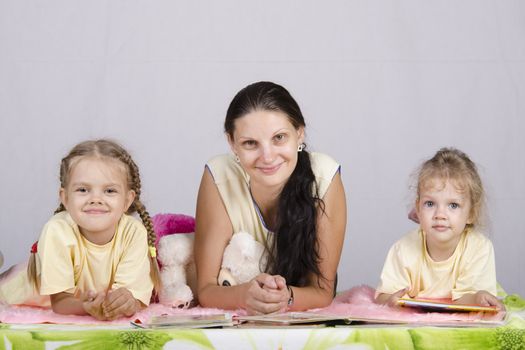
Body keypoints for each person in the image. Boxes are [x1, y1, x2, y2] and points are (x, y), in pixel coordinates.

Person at [194, 81, 347, 315]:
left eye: (279, 138)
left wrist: (285, 298)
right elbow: (206, 289)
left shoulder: (323, 177)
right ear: (232, 143)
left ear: (299, 133)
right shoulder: (219, 176)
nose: (267, 156)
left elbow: (322, 291)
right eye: (250, 143)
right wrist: (245, 296)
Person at [0, 139, 159, 320]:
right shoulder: (57, 231)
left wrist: (127, 302)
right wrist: (86, 306)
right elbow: (60, 303)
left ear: (127, 200)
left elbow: (133, 297)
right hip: (20, 289)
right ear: (65, 198)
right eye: (83, 190)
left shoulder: (134, 233)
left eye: (109, 191)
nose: (96, 199)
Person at [375, 148, 503, 309]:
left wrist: (478, 298)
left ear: (471, 213)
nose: (440, 215)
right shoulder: (403, 249)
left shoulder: (479, 248)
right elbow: (383, 296)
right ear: (419, 209)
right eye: (430, 204)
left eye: (453, 205)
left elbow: (466, 300)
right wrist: (389, 300)